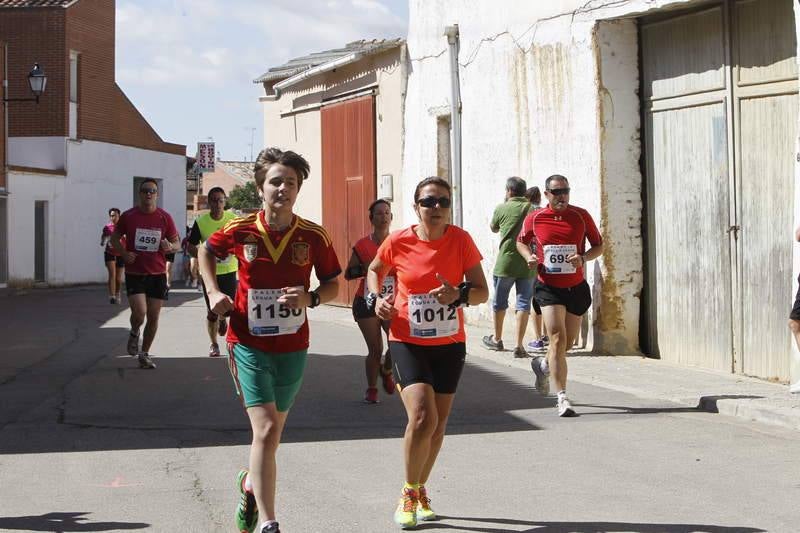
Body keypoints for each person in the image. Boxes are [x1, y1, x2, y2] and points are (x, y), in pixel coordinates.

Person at [199, 148, 340, 533]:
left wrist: (309, 297)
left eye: (290, 183)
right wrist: (213, 293)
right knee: (263, 430)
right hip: (246, 341)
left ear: (298, 189)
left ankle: (249, 484)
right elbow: (205, 252)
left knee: (273, 434)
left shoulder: (313, 235)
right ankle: (269, 521)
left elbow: (333, 284)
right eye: (275, 181)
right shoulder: (240, 228)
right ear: (260, 187)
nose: (283, 188)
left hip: (293, 345)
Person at [367, 176, 488, 529]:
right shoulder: (399, 240)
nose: (436, 209)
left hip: (449, 343)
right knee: (422, 416)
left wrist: (460, 295)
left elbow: (481, 290)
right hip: (407, 338)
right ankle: (407, 492)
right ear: (416, 206)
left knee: (438, 425)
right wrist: (378, 300)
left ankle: (421, 489)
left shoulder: (461, 241)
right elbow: (375, 270)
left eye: (443, 202)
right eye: (429, 202)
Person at [516, 174, 603, 417]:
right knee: (556, 337)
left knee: (567, 344)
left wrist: (583, 258)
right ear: (547, 195)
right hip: (548, 286)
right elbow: (521, 242)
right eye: (556, 192)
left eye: (565, 191)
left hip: (575, 287)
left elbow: (599, 245)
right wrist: (529, 257)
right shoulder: (535, 218)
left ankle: (543, 365)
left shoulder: (580, 216)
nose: (562, 196)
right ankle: (562, 397)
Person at [111, 179, 180, 370]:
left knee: (153, 316)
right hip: (135, 272)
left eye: (152, 191)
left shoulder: (164, 217)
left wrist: (169, 247)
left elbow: (177, 244)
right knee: (140, 313)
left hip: (157, 273)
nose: (149, 194)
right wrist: (124, 253)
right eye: (145, 191)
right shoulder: (129, 216)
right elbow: (115, 238)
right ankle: (134, 331)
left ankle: (144, 353)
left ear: (157, 194)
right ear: (140, 194)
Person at [344, 199, 396, 403]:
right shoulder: (362, 245)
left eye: (387, 213)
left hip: (392, 301)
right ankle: (372, 388)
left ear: (391, 217)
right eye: (379, 214)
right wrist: (367, 269)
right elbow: (349, 274)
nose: (383, 217)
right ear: (371, 218)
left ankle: (387, 369)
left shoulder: (398, 242)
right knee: (375, 349)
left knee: (398, 343)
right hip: (366, 301)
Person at [481, 177, 535, 358]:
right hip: (528, 262)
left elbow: (494, 228)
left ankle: (497, 339)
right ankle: (519, 345)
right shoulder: (533, 209)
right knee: (523, 303)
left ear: (509, 191)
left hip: (506, 262)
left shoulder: (501, 208)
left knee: (499, 302)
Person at [187, 187, 238, 358]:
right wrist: (204, 256)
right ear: (209, 202)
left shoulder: (233, 220)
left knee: (230, 309)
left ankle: (223, 319)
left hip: (229, 271)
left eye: (221, 200)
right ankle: (214, 344)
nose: (217, 204)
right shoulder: (201, 222)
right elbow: (190, 246)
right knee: (212, 311)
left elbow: (243, 242)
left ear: (225, 202)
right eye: (214, 200)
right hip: (209, 273)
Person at [524, 186, 548, 352]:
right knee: (548, 299)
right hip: (546, 260)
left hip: (531, 261)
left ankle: (537, 338)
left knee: (535, 300)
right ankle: (547, 334)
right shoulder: (543, 212)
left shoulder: (528, 214)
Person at [101, 207, 125, 304]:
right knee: (112, 274)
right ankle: (112, 296)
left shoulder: (124, 227)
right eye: (111, 215)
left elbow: (129, 239)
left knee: (118, 278)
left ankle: (118, 293)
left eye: (115, 215)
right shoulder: (107, 227)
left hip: (121, 253)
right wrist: (103, 241)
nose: (113, 217)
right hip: (109, 253)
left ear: (119, 216)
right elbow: (103, 237)